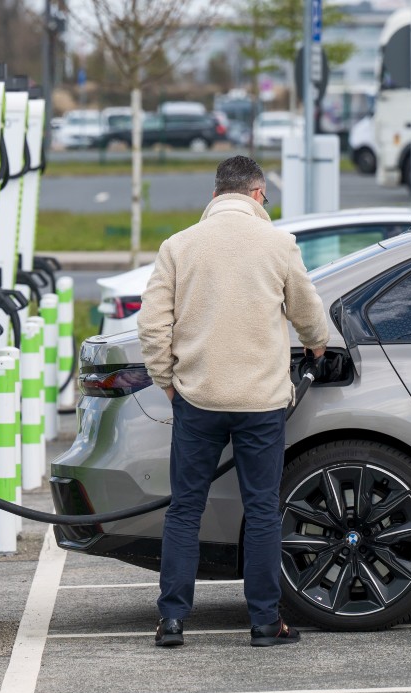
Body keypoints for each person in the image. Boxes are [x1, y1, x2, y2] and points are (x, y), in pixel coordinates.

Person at [136, 155, 328, 649]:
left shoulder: (178, 246)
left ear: (217, 193)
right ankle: (265, 622)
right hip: (260, 402)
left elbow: (153, 326)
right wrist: (317, 342)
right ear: (258, 194)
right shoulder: (278, 244)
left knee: (184, 510)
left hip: (198, 399)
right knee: (263, 510)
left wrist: (168, 382)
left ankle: (173, 621)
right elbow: (307, 310)